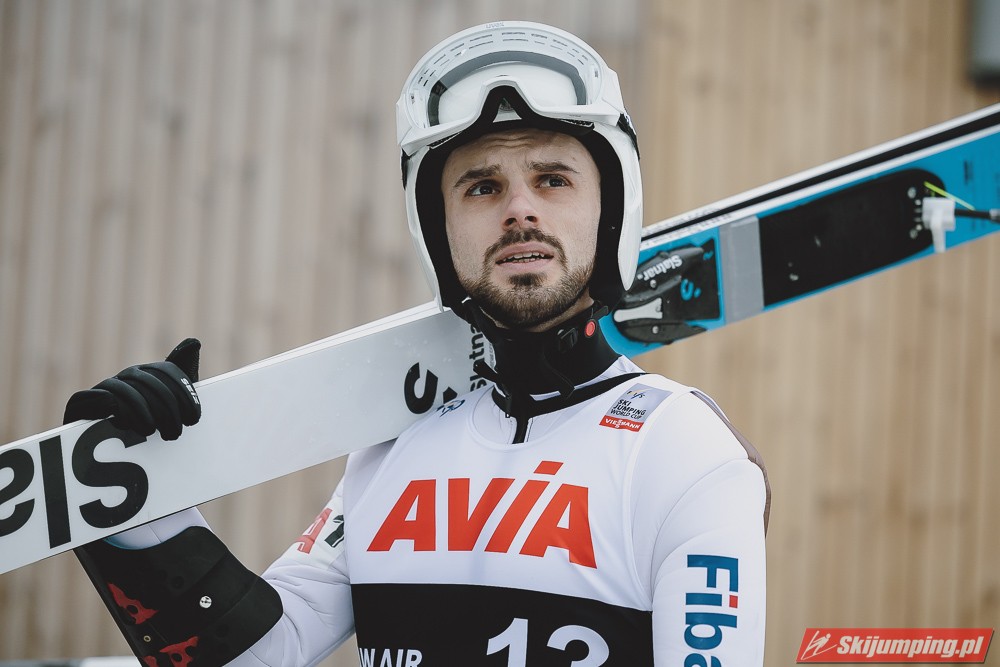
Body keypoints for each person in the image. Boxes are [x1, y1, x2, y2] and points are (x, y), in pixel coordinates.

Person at [65, 21, 769, 666]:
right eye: (481, 187)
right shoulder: (395, 446)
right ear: (440, 232)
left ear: (610, 211)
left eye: (553, 179)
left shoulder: (685, 455)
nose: (520, 209)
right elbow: (258, 656)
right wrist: (139, 499)